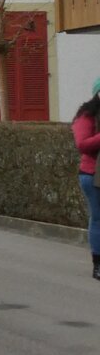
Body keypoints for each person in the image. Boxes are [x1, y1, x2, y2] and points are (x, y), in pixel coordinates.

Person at [72, 77, 100, 280]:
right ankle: (98, 264)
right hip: (92, 175)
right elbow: (83, 144)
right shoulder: (87, 116)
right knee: (99, 218)